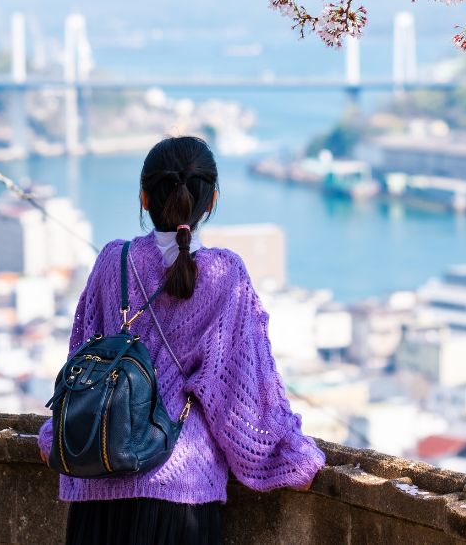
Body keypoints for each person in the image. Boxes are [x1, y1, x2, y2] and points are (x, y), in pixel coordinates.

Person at [36, 135, 325, 545]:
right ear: (211, 201)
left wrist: (53, 436)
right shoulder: (225, 276)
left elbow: (81, 366)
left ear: (143, 197)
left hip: (95, 483)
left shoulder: (112, 262)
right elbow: (242, 399)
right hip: (180, 492)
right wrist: (292, 458)